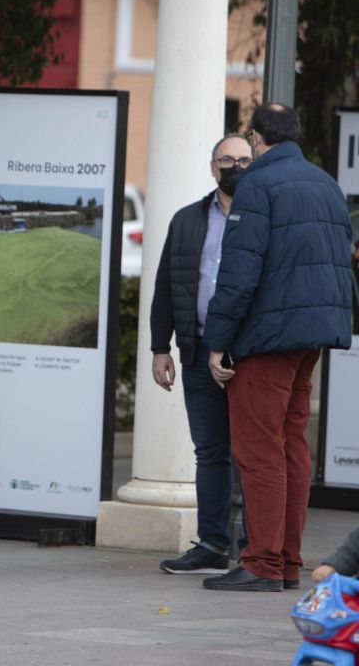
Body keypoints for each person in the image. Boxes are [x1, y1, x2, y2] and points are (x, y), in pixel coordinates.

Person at [202, 103, 354, 592]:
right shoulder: (326, 184)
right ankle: (287, 562)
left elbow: (239, 271)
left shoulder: (258, 185)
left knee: (258, 448)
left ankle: (262, 563)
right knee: (291, 444)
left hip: (267, 337)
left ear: (256, 139)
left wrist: (218, 342)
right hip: (314, 335)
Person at [151, 134, 252, 576]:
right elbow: (165, 286)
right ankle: (212, 543)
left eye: (245, 160)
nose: (235, 167)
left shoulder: (263, 218)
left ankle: (255, 548)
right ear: (213, 168)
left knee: (253, 453)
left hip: (249, 356)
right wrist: (160, 347)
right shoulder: (187, 220)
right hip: (195, 354)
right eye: (227, 160)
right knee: (210, 452)